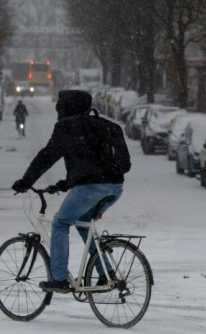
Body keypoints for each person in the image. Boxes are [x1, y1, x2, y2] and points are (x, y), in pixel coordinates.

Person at [12, 90, 131, 293]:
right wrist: (66, 183)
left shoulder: (66, 127)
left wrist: (26, 181)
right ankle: (106, 273)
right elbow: (118, 164)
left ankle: (59, 279)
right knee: (83, 223)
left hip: (89, 188)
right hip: (115, 187)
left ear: (65, 107)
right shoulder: (108, 126)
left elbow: (47, 156)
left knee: (60, 223)